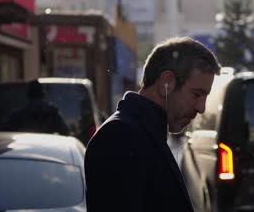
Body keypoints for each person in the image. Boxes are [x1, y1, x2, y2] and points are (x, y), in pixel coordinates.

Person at [84, 37, 221, 212]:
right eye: (196, 94)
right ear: (166, 83)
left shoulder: (142, 132)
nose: (201, 108)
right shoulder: (119, 136)